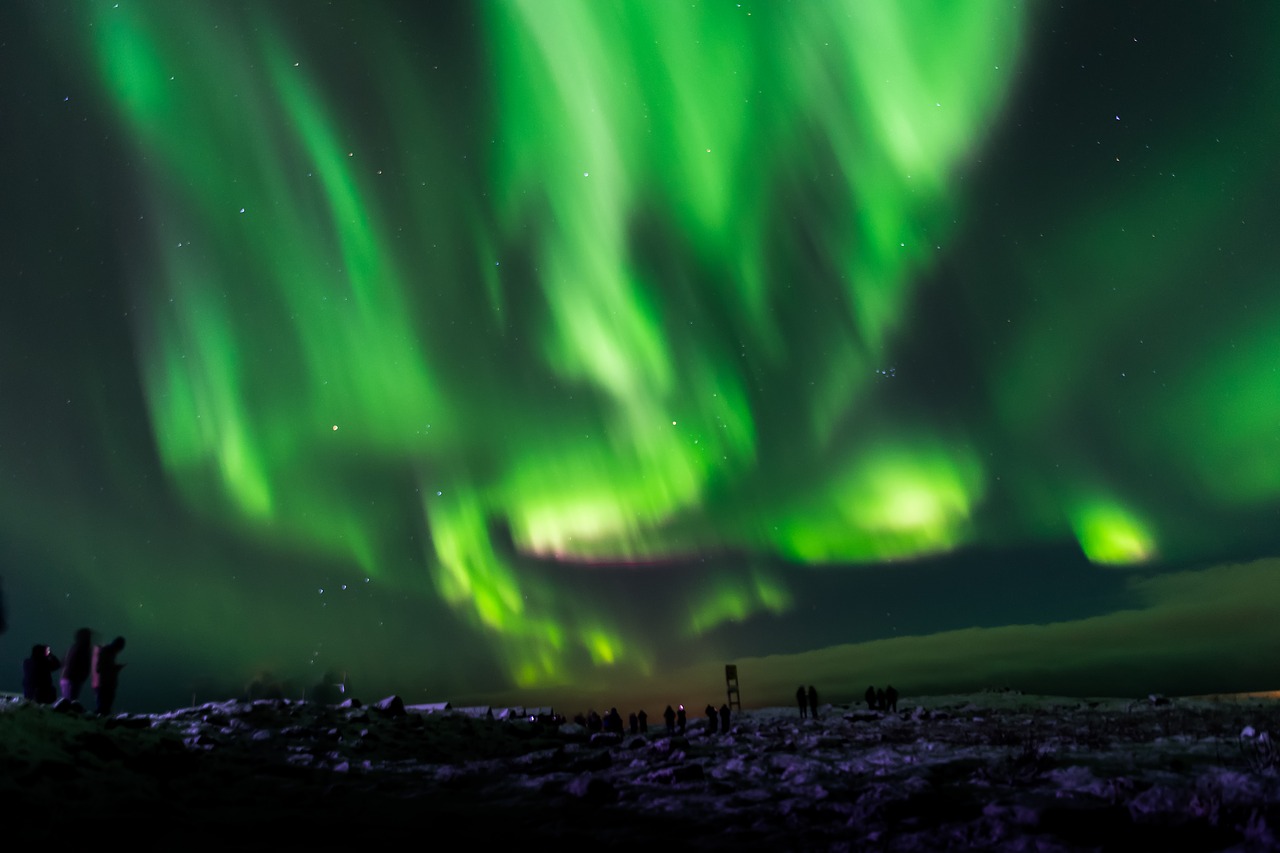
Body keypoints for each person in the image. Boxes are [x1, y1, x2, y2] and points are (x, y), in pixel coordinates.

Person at [92, 635, 126, 715]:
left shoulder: (106, 651)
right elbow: (100, 668)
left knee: (104, 707)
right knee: (103, 708)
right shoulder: (106, 652)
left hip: (103, 684)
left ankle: (99, 723)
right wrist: (115, 668)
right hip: (104, 684)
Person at [60, 627, 93, 703]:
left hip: (68, 678)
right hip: (72, 679)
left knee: (68, 701)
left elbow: (62, 662)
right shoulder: (83, 649)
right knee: (70, 702)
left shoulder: (73, 647)